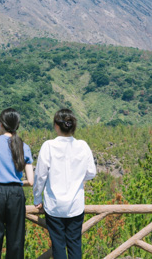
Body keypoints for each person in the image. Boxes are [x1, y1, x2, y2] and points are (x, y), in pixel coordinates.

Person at [32, 109, 96, 259]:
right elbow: (91, 172)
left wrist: (37, 199)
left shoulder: (48, 146)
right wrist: (79, 177)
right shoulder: (83, 146)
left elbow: (40, 176)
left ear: (56, 126)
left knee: (58, 245)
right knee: (75, 244)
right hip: (75, 205)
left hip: (54, 205)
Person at [0, 108, 34, 259]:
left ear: (1, 124)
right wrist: (15, 180)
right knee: (16, 241)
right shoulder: (24, 146)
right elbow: (31, 181)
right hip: (16, 194)